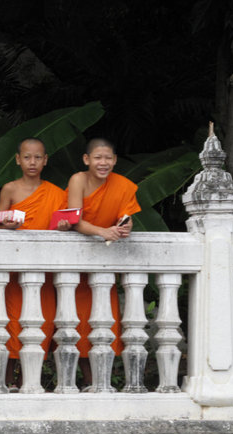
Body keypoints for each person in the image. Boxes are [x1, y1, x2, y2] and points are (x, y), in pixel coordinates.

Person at [58, 138, 141, 385]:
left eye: (108, 158)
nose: (103, 163)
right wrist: (103, 231)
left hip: (103, 266)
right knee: (74, 324)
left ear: (115, 160)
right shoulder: (78, 180)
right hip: (75, 264)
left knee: (103, 323)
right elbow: (74, 219)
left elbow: (127, 217)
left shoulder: (123, 186)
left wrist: (125, 227)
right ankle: (75, 381)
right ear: (87, 160)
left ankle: (100, 382)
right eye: (97, 158)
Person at [0, 137, 67, 388]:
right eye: (27, 157)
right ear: (17, 159)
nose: (32, 162)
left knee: (41, 325)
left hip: (44, 272)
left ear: (45, 160)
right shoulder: (10, 189)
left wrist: (65, 227)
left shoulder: (57, 193)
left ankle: (29, 382)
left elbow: (62, 224)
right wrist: (7, 225)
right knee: (11, 324)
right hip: (14, 270)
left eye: (37, 157)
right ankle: (5, 383)